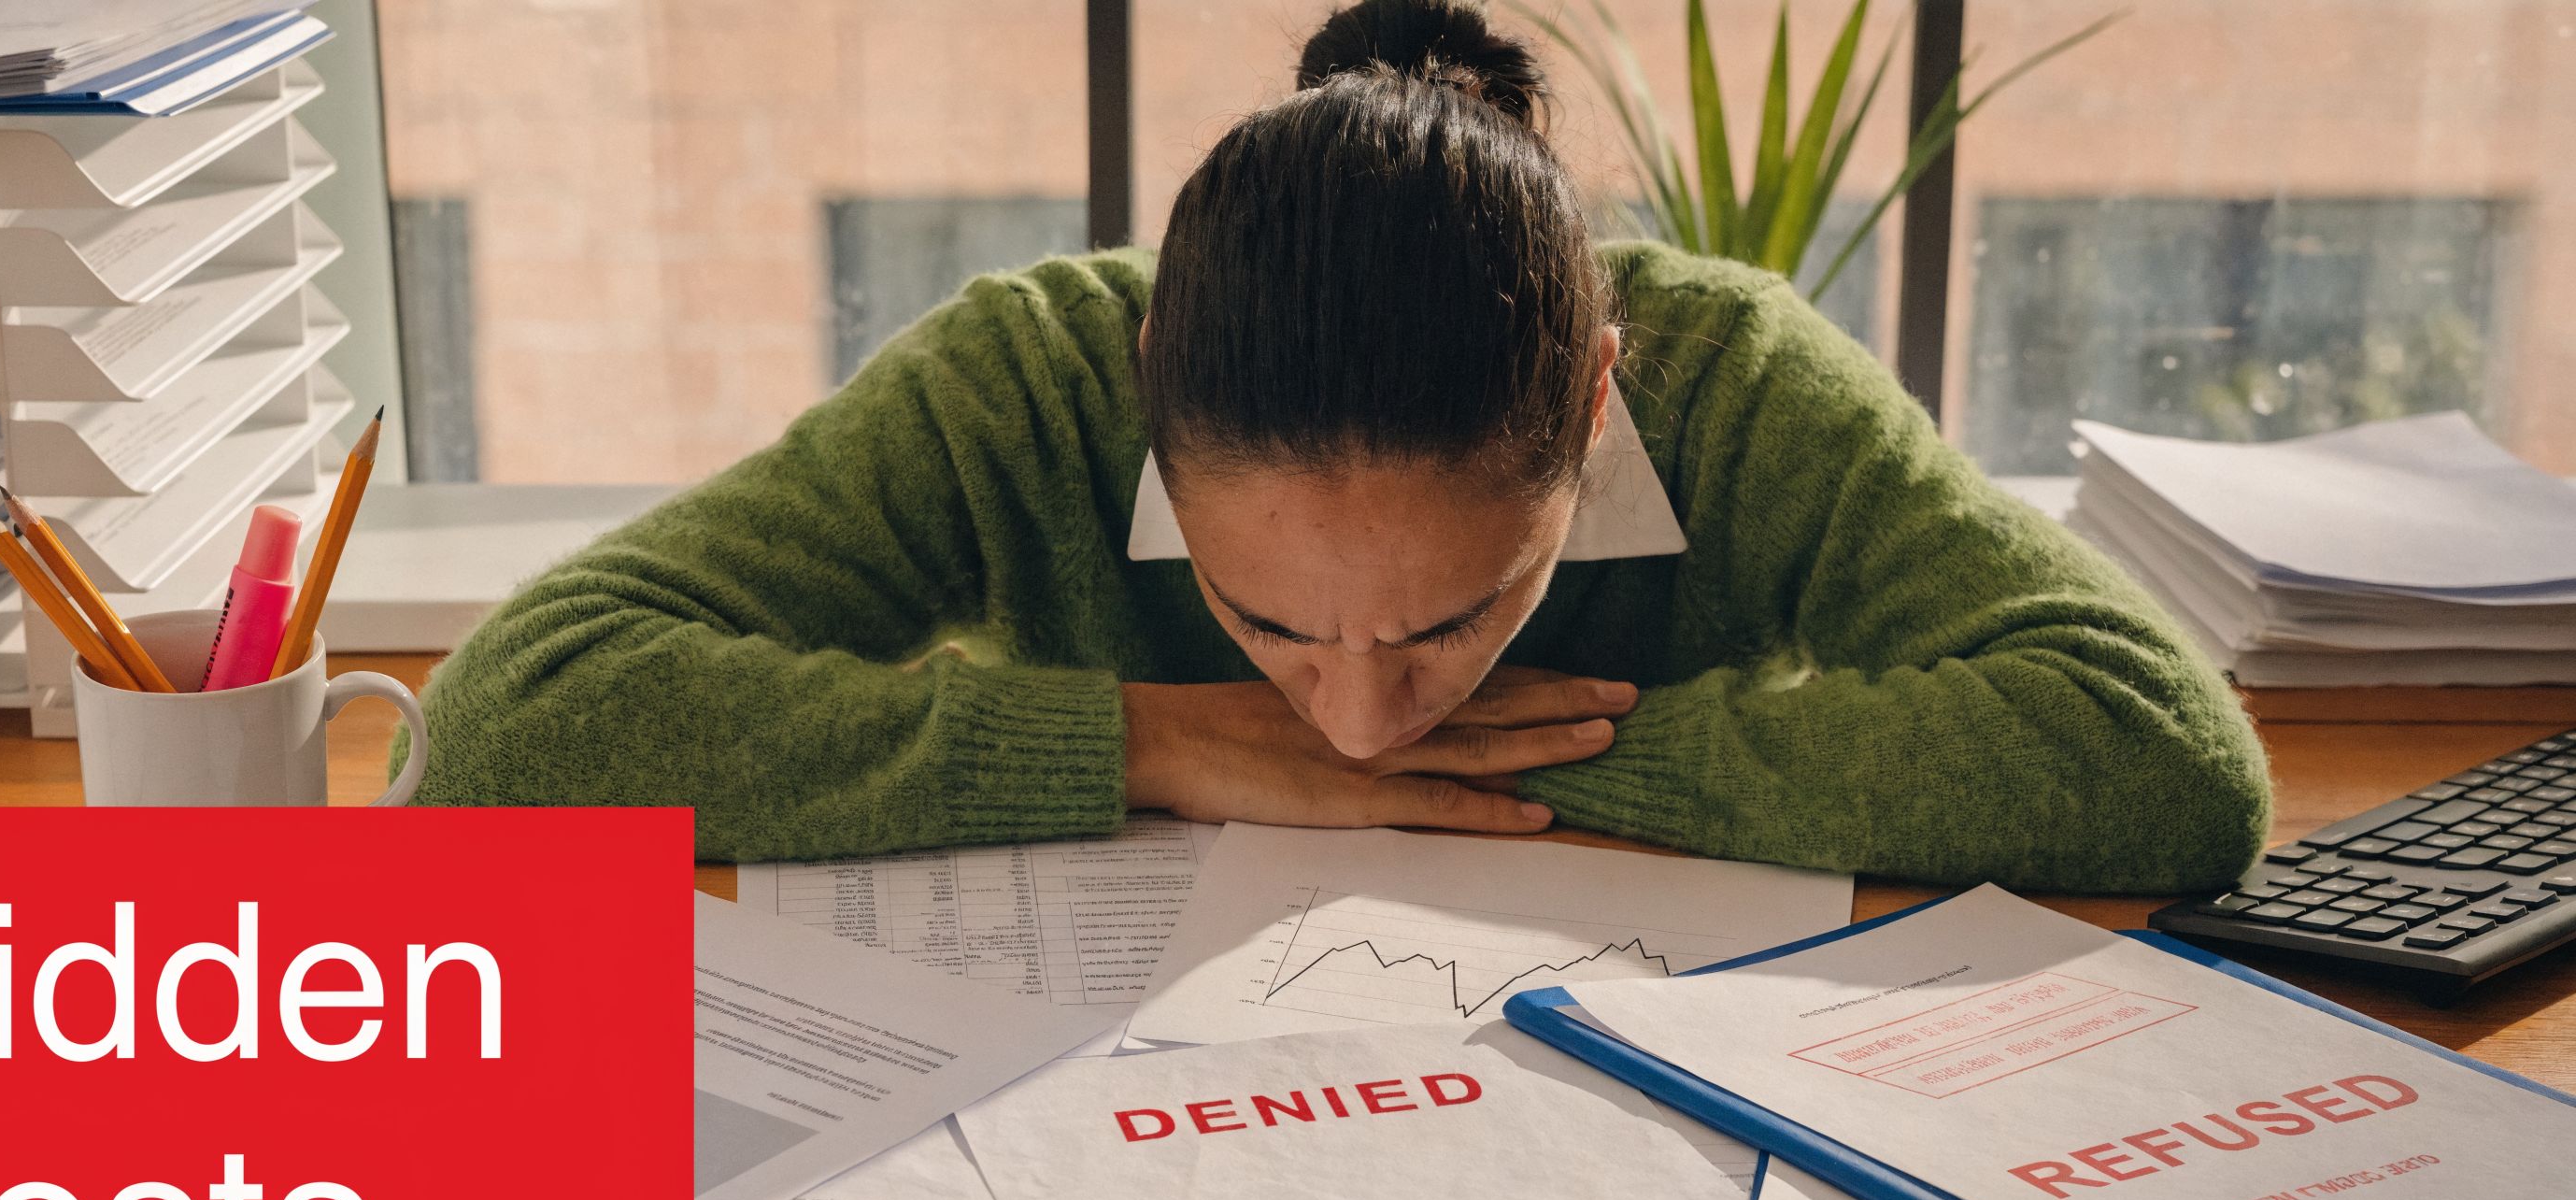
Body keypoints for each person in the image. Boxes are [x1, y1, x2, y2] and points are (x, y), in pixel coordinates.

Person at [402, 0, 2270, 893]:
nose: (1363, 723)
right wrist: (1145, 740)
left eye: (1454, 627)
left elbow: (2163, 758)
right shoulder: (1026, 382)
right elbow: (512, 723)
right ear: (1152, 391)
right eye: (1273, 630)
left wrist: (1551, 773)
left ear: (1598, 403)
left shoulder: (1737, 386)